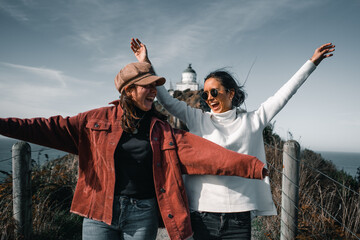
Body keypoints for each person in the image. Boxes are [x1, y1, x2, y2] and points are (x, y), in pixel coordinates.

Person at [0, 60, 269, 240]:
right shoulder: (95, 120)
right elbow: (45, 127)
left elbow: (206, 154)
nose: (154, 91)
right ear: (128, 90)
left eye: (155, 85)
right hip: (98, 212)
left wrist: (254, 167)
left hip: (142, 214)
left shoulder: (162, 130)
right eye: (147, 85)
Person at [130, 38, 335, 239]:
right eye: (205, 94)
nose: (209, 98)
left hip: (239, 216)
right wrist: (146, 63)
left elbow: (284, 94)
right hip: (201, 213)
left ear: (230, 93)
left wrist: (311, 63)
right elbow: (165, 99)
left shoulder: (253, 120)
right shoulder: (197, 119)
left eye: (214, 92)